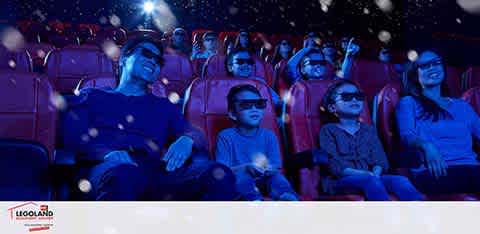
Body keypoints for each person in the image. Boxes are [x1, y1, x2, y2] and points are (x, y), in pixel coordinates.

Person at [61, 35, 237, 201]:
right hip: (103, 167)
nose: (153, 61)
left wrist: (187, 139)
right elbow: (73, 134)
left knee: (217, 173)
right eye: (146, 54)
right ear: (123, 59)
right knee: (122, 174)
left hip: (152, 171)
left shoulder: (164, 105)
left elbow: (195, 133)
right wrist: (106, 154)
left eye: (158, 60)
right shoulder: (92, 95)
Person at [320, 80, 423, 201]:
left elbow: (379, 159)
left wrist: (375, 173)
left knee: (401, 180)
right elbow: (335, 165)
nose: (354, 100)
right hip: (340, 181)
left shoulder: (369, 130)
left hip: (372, 177)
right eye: (346, 97)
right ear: (332, 107)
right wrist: (367, 175)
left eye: (358, 96)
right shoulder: (328, 130)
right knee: (370, 181)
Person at [396, 49, 480, 195]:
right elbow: (406, 136)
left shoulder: (462, 105)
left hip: (472, 168)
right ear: (416, 73)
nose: (433, 68)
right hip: (437, 170)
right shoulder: (408, 102)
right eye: (425, 65)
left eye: (436, 63)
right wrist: (426, 145)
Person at [215, 84, 298, 201]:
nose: (254, 109)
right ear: (233, 114)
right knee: (241, 178)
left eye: (259, 104)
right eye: (246, 105)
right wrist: (246, 168)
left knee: (277, 178)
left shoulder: (269, 135)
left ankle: (287, 198)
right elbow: (221, 170)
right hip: (238, 181)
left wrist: (269, 169)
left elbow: (276, 166)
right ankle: (254, 200)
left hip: (265, 179)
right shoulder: (225, 136)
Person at [285, 38, 360, 84]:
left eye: (322, 63)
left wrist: (348, 56)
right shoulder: (300, 83)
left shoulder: (329, 83)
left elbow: (343, 76)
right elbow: (290, 66)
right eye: (313, 62)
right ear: (303, 69)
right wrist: (307, 49)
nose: (318, 65)